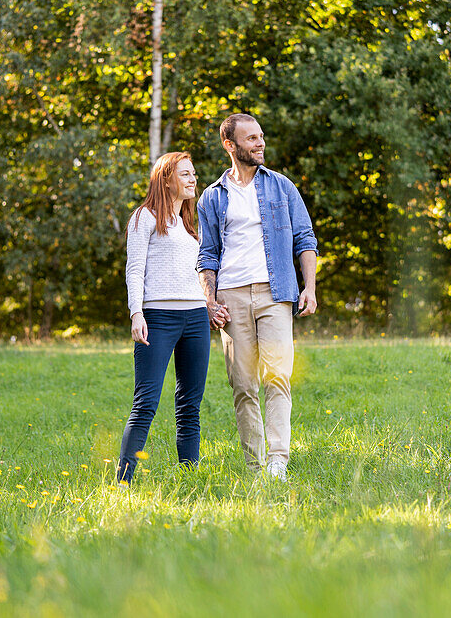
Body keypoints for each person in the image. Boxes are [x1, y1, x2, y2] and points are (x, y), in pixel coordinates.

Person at [197, 113, 318, 482]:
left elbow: (305, 238)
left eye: (261, 136)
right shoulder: (212, 197)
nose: (260, 143)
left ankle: (278, 462)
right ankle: (256, 465)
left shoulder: (282, 186)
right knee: (243, 384)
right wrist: (210, 300)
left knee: (277, 376)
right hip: (231, 297)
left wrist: (309, 287)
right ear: (230, 145)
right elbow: (207, 254)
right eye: (251, 139)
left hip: (275, 293)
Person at [118, 151, 210, 484]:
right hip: (157, 317)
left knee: (190, 405)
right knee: (146, 403)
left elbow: (198, 274)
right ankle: (123, 482)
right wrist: (136, 312)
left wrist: (210, 304)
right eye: (185, 174)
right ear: (166, 177)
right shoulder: (144, 217)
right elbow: (135, 268)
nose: (193, 179)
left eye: (194, 174)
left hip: (196, 319)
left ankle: (190, 478)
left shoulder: (190, 225)